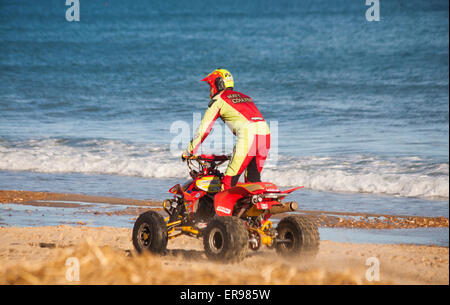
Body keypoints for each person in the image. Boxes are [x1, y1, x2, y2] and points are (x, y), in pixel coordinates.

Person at [183, 68, 270, 190]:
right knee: (252, 181)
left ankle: (220, 209)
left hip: (249, 136)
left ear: (218, 84)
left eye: (210, 85)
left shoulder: (218, 100)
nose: (210, 90)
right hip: (265, 135)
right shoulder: (245, 97)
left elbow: (204, 129)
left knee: (228, 182)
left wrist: (189, 151)